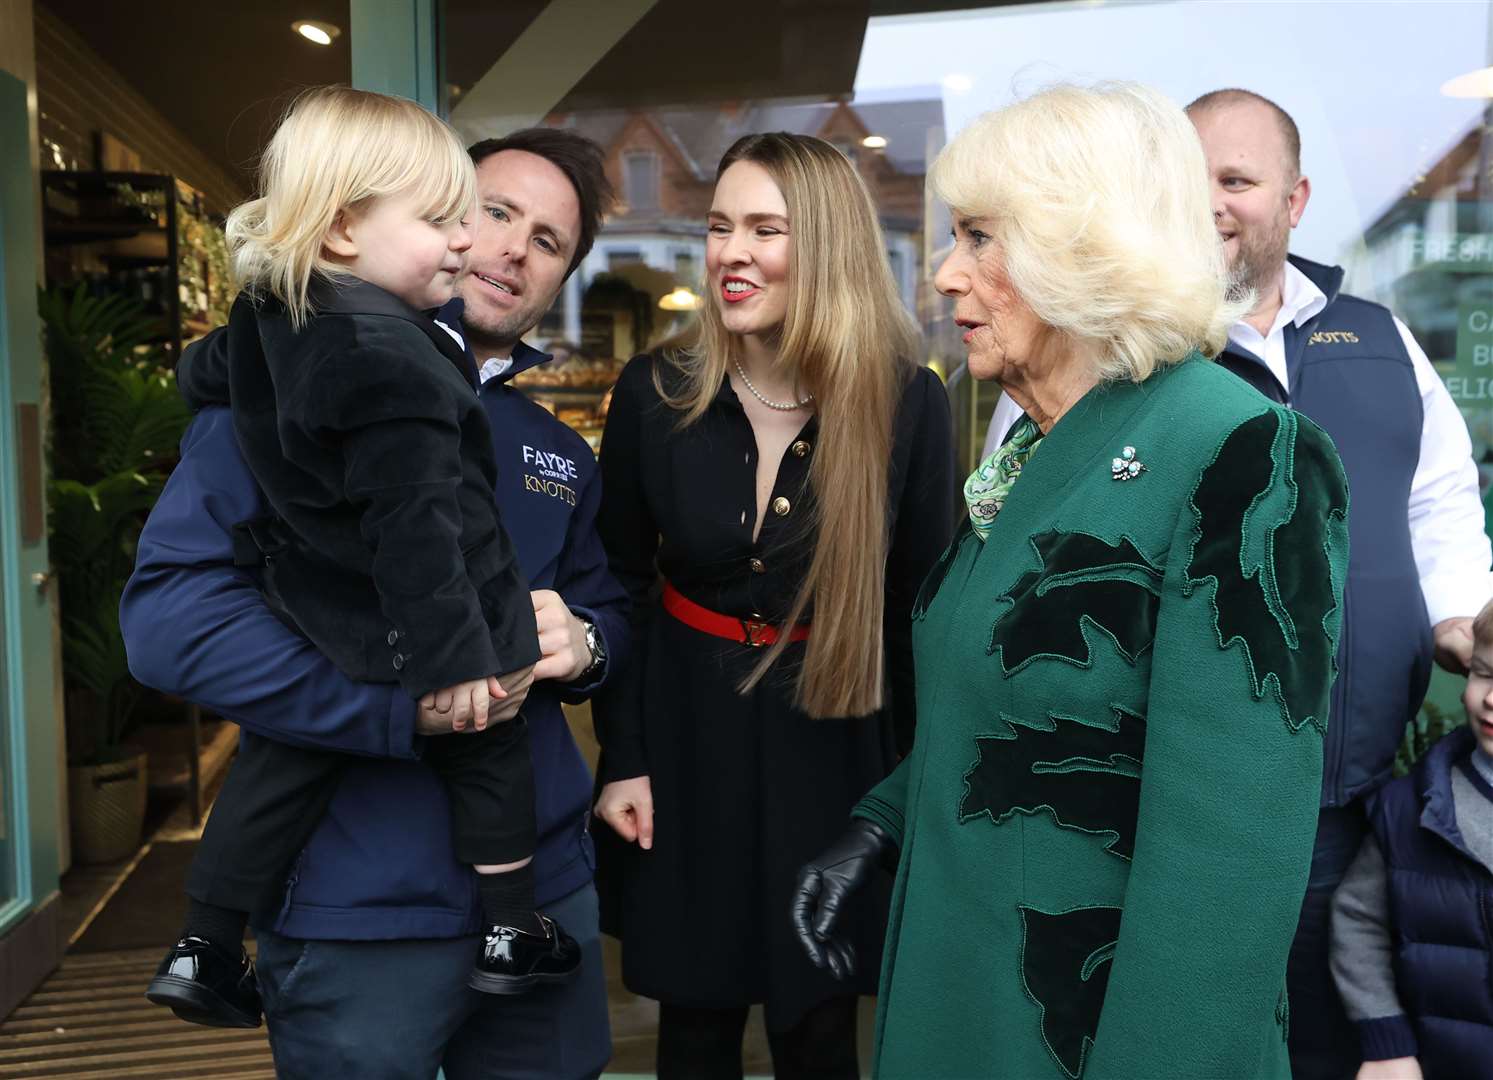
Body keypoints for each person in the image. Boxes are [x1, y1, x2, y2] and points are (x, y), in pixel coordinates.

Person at [793, 82, 1352, 1079]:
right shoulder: (1032, 449)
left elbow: (1226, 867)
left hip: (1079, 1035)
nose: (944, 275)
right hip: (963, 999)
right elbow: (1011, 698)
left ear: (1080, 245)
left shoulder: (1238, 452)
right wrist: (879, 823)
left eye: (975, 237)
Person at [120, 123, 626, 1078]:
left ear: (561, 278)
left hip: (544, 890)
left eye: (549, 241)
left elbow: (611, 606)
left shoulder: (557, 450)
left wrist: (588, 642)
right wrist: (410, 703)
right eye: (489, 211)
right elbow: (168, 627)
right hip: (358, 918)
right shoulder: (284, 401)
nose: (509, 246)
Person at [590, 131, 956, 1079]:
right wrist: (622, 757)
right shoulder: (654, 391)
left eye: (764, 229)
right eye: (718, 227)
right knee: (695, 1020)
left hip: (834, 735)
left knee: (819, 1021)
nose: (729, 252)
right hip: (683, 736)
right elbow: (618, 584)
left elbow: (920, 611)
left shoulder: (905, 400)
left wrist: (906, 798)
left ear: (826, 245)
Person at [1185, 87, 1493, 1080]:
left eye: (1234, 180)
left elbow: (1437, 500)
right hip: (1194, 807)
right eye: (1188, 182)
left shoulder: (1376, 337)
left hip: (1353, 796)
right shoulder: (1130, 353)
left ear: (1294, 197)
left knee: (1335, 1037)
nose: (1210, 203)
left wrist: (1456, 619)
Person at [1329, 597, 1493, 1080]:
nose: (1491, 698)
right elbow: (1358, 921)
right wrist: (1385, 1042)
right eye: (1485, 674)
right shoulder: (1410, 809)